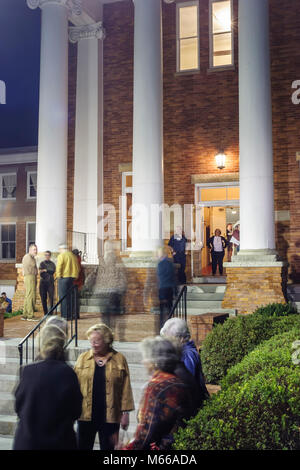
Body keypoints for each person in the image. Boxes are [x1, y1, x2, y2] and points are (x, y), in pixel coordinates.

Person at [13, 318, 82, 450]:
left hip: (28, 442)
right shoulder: (68, 373)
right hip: (59, 442)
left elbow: (18, 407)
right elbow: (76, 411)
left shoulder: (27, 371)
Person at [122, 337, 192, 450]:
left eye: (146, 357)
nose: (143, 361)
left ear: (155, 362)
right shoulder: (178, 382)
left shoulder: (155, 387)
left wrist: (127, 448)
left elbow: (147, 431)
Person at [74, 324, 134, 450]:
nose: (93, 344)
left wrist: (126, 413)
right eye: (91, 341)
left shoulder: (119, 359)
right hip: (86, 415)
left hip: (110, 416)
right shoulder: (82, 359)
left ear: (107, 341)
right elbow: (74, 385)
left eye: (97, 341)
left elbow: (126, 388)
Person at [160, 318, 209, 405]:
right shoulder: (183, 353)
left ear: (181, 338)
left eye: (170, 339)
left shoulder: (188, 354)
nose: (167, 343)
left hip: (193, 407)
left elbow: (185, 385)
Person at [56, 244, 79, 320]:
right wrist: (75, 276)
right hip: (72, 278)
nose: (59, 251)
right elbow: (77, 267)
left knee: (63, 298)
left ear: (62, 249)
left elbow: (59, 266)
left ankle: (65, 316)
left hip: (63, 278)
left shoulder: (61, 256)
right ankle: (70, 315)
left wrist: (58, 276)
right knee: (70, 297)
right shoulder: (73, 256)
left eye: (59, 249)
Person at [157, 246, 176, 329]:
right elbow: (173, 277)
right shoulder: (170, 263)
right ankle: (170, 326)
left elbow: (159, 277)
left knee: (162, 311)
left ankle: (162, 327)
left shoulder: (160, 264)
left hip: (163, 289)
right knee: (169, 309)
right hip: (170, 289)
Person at [21, 243, 38, 321]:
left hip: (31, 277)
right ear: (30, 250)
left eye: (36, 249)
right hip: (29, 276)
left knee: (28, 295)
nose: (36, 251)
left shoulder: (31, 257)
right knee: (30, 295)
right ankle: (30, 316)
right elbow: (34, 266)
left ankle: (25, 315)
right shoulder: (28, 257)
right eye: (34, 249)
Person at [39, 250, 56, 316]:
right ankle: (45, 313)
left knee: (51, 298)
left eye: (48, 255)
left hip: (50, 282)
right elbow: (41, 272)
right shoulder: (42, 263)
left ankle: (50, 313)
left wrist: (46, 270)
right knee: (43, 298)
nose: (47, 256)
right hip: (43, 283)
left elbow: (53, 271)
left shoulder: (52, 264)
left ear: (50, 256)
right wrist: (47, 271)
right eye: (46, 255)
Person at [72, 249, 85, 320]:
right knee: (77, 300)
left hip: (75, 283)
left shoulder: (75, 261)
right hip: (79, 283)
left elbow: (77, 273)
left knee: (74, 300)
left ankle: (75, 314)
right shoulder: (79, 261)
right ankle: (76, 314)